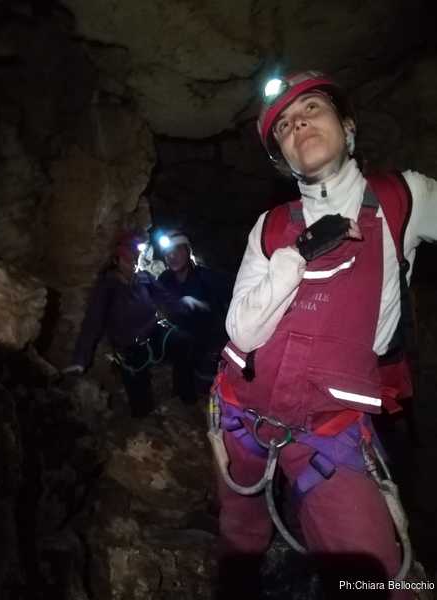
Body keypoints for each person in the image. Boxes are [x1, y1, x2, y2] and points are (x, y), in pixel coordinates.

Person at [213, 70, 437, 598]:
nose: (298, 125)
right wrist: (300, 253)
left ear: (348, 126)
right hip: (242, 410)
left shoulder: (404, 197)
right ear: (283, 159)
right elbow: (242, 329)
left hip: (328, 431)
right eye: (284, 125)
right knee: (240, 531)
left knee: (370, 574)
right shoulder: (271, 227)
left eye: (311, 108)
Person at [65, 231, 200, 417]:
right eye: (129, 260)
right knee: (141, 401)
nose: (134, 263)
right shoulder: (108, 286)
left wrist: (184, 304)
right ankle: (144, 421)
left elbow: (166, 298)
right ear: (117, 260)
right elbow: (93, 322)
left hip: (154, 335)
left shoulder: (143, 278)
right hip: (129, 347)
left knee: (184, 342)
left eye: (136, 259)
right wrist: (80, 360)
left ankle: (184, 398)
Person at [157, 230, 233, 390]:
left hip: (209, 340)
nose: (172, 256)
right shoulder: (164, 280)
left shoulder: (207, 277)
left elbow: (232, 297)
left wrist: (204, 307)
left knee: (209, 384)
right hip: (179, 341)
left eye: (177, 250)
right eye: (167, 253)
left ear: (188, 251)